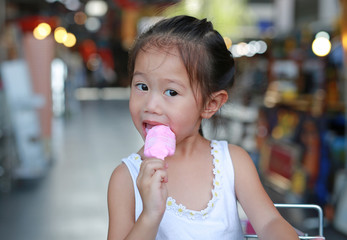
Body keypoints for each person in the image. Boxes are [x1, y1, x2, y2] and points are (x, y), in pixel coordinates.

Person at [107, 15, 299, 240]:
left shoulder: (233, 163)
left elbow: (270, 222)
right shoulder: (125, 179)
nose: (151, 105)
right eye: (142, 86)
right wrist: (150, 214)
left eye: (171, 92)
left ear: (210, 104)